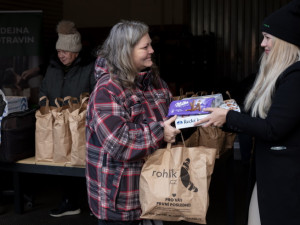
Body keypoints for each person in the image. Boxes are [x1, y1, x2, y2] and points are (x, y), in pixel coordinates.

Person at [195, 1, 300, 225]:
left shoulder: (296, 77)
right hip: (270, 176)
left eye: (267, 37)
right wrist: (223, 118)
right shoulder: (283, 74)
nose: (262, 44)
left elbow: (272, 129)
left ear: (285, 42)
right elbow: (257, 118)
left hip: (284, 181)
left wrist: (229, 117)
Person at [85, 20, 181, 225]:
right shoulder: (107, 90)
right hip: (121, 200)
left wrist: (193, 111)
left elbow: (171, 111)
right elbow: (119, 142)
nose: (152, 50)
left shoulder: (154, 80)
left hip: (154, 191)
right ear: (125, 51)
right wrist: (160, 132)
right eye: (145, 47)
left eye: (150, 45)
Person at [39, 20, 96, 217]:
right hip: (58, 124)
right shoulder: (53, 67)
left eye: (65, 51)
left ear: (76, 50)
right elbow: (44, 90)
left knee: (86, 163)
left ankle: (93, 205)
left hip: (81, 123)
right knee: (63, 163)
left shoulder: (89, 68)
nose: (60, 54)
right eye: (59, 50)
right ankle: (69, 202)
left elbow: (96, 95)